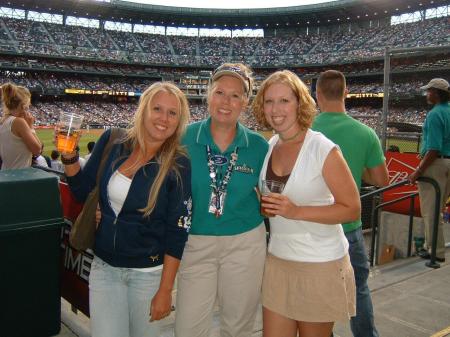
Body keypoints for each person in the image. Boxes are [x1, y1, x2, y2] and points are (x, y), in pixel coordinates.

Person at [60, 82, 192, 337]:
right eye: (157, 109)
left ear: (179, 120)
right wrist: (68, 157)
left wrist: (165, 291)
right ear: (144, 110)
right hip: (104, 268)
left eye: (172, 113)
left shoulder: (179, 164)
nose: (164, 118)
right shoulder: (114, 141)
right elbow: (81, 190)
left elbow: (178, 232)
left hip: (148, 276)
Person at [252, 70, 360, 337]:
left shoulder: (323, 148)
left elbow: (352, 208)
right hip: (278, 262)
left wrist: (296, 211)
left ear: (299, 103)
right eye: (269, 101)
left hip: (319, 265)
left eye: (284, 101)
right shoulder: (271, 145)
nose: (276, 109)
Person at [175, 63, 268, 337]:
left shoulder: (259, 146)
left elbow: (275, 193)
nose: (226, 102)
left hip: (245, 243)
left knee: (237, 327)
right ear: (208, 94)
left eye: (235, 95)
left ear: (245, 102)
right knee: (188, 328)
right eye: (220, 92)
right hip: (196, 241)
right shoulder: (184, 137)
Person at [312, 70, 389, 337]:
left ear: (317, 95)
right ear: (345, 93)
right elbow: (381, 179)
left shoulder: (306, 131)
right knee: (359, 291)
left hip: (314, 227)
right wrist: (355, 171)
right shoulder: (365, 132)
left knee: (319, 298)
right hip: (350, 226)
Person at [409, 78, 450, 263]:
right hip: (448, 164)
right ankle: (430, 246)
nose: (427, 94)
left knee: (431, 211)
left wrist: (418, 171)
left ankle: (437, 252)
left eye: (429, 91)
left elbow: (433, 148)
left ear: (436, 93)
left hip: (436, 165)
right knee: (438, 209)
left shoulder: (435, 114)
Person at [0, 82, 42, 170]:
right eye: (28, 106)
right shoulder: (19, 122)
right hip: (18, 176)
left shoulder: (3, 120)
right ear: (23, 106)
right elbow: (37, 150)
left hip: (6, 173)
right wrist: (31, 127)